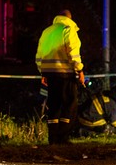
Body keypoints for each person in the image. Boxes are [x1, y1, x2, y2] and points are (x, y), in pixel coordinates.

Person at [35, 9, 85, 144]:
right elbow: (73, 52)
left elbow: (39, 54)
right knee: (69, 104)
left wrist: (43, 72)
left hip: (50, 74)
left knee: (54, 104)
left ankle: (53, 138)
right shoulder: (68, 29)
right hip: (65, 73)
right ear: (70, 18)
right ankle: (63, 138)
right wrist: (79, 70)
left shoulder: (47, 31)